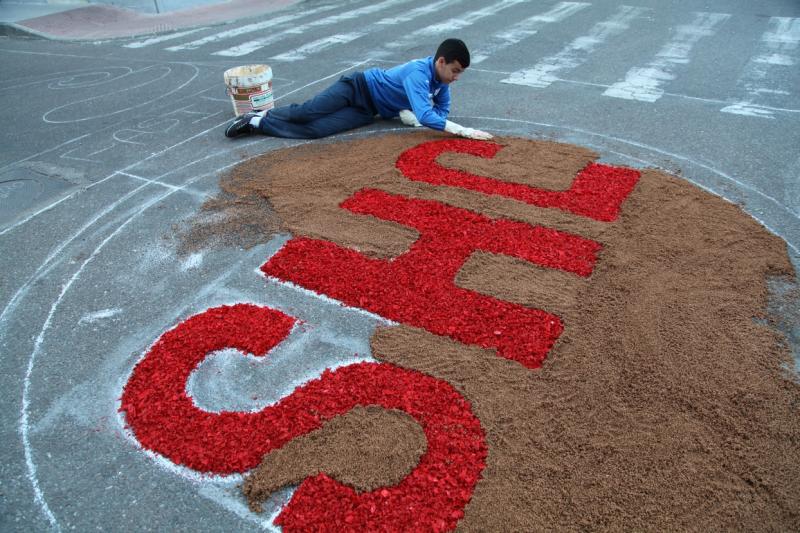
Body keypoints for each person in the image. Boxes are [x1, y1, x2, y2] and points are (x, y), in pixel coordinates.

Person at [224, 38, 492, 141]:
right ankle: (260, 113)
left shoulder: (441, 82)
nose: (456, 77)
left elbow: (441, 110)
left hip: (368, 110)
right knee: (307, 112)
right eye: (455, 70)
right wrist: (461, 130)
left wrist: (411, 112)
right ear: (441, 62)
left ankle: (257, 122)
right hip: (356, 87)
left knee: (316, 130)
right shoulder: (418, 73)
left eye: (460, 73)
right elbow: (426, 114)